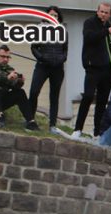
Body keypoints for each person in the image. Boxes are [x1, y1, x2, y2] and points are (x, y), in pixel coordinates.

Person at [72, 2, 111, 140]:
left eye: (106, 12)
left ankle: (97, 132)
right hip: (93, 68)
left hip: (108, 70)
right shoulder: (90, 23)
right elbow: (89, 38)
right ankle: (78, 129)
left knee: (102, 102)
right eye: (102, 12)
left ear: (110, 14)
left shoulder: (110, 26)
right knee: (87, 96)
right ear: (97, 11)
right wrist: (106, 32)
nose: (103, 14)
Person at [28, 6, 67, 135]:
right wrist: (42, 57)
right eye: (51, 15)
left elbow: (65, 50)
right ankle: (30, 120)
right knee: (34, 91)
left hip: (57, 68)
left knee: (54, 97)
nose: (53, 18)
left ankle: (52, 126)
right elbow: (34, 47)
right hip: (42, 66)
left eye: (55, 15)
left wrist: (61, 59)